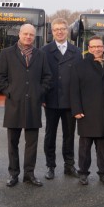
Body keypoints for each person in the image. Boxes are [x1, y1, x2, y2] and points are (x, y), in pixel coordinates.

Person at [0, 23, 52, 187]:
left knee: (32, 143)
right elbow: (0, 77)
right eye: (25, 34)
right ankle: (13, 174)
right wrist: (9, 92)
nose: (28, 37)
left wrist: (39, 92)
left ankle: (29, 174)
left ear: (34, 37)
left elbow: (48, 78)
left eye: (31, 35)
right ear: (19, 34)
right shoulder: (7, 53)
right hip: (14, 104)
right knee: (12, 142)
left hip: (33, 105)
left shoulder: (40, 55)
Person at [70, 36, 104, 186]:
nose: (97, 49)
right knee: (85, 146)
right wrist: (76, 109)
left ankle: (103, 173)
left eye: (99, 46)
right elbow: (74, 90)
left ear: (103, 47)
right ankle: (83, 173)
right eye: (93, 47)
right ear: (89, 49)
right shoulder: (80, 65)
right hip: (86, 112)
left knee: (102, 146)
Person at [41, 18, 81, 180]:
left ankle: (69, 165)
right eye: (56, 29)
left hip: (70, 101)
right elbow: (40, 76)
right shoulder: (44, 51)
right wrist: (42, 97)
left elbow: (80, 78)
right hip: (50, 100)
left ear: (67, 31)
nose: (59, 31)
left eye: (62, 29)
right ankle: (50, 166)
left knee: (69, 135)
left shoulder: (77, 52)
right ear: (52, 31)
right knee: (50, 135)